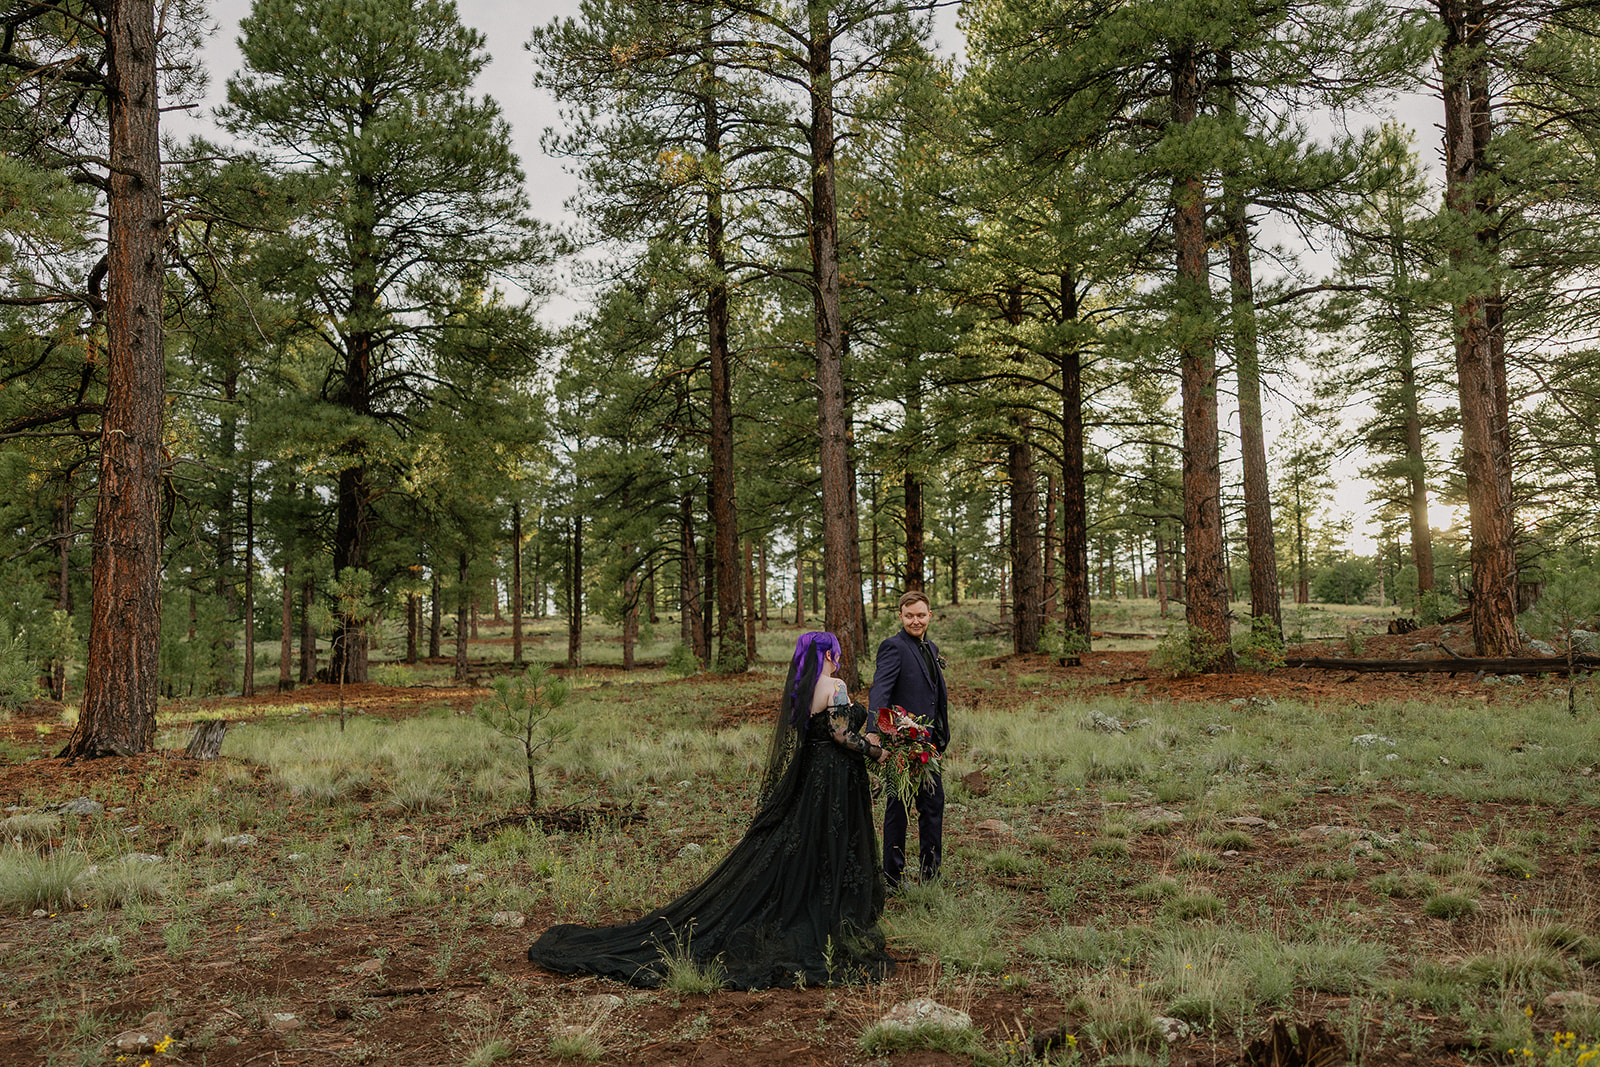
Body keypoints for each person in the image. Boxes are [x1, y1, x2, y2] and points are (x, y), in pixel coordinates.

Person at [526, 631, 894, 989]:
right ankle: (824, 907)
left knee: (800, 838)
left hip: (810, 774)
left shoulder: (801, 688)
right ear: (830, 654)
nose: (837, 656)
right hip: (832, 777)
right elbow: (841, 735)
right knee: (829, 836)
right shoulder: (835, 686)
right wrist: (878, 751)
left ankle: (806, 897)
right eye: (835, 651)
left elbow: (811, 732)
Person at [867, 590, 950, 891]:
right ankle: (892, 878)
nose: (915, 620)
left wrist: (939, 737)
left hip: (928, 746)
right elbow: (880, 690)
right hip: (903, 744)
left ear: (930, 615)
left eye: (921, 615)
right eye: (909, 615)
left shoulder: (932, 646)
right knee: (898, 809)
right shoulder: (893, 647)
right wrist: (874, 729)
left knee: (932, 806)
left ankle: (930, 876)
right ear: (900, 616)